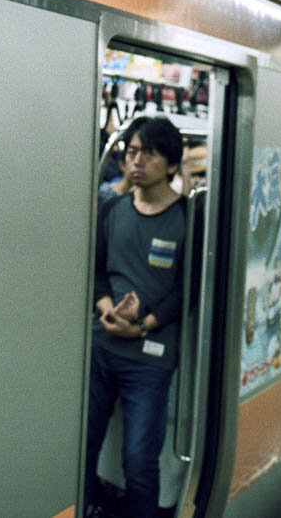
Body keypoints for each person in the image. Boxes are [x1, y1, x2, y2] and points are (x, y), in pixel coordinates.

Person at [86, 115, 188, 518]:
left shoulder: (187, 218)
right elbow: (97, 273)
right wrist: (107, 309)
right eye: (131, 152)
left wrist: (142, 325)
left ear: (172, 164)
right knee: (83, 447)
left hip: (149, 359)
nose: (137, 161)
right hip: (101, 347)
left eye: (150, 153)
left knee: (139, 460)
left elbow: (184, 291)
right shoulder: (113, 209)